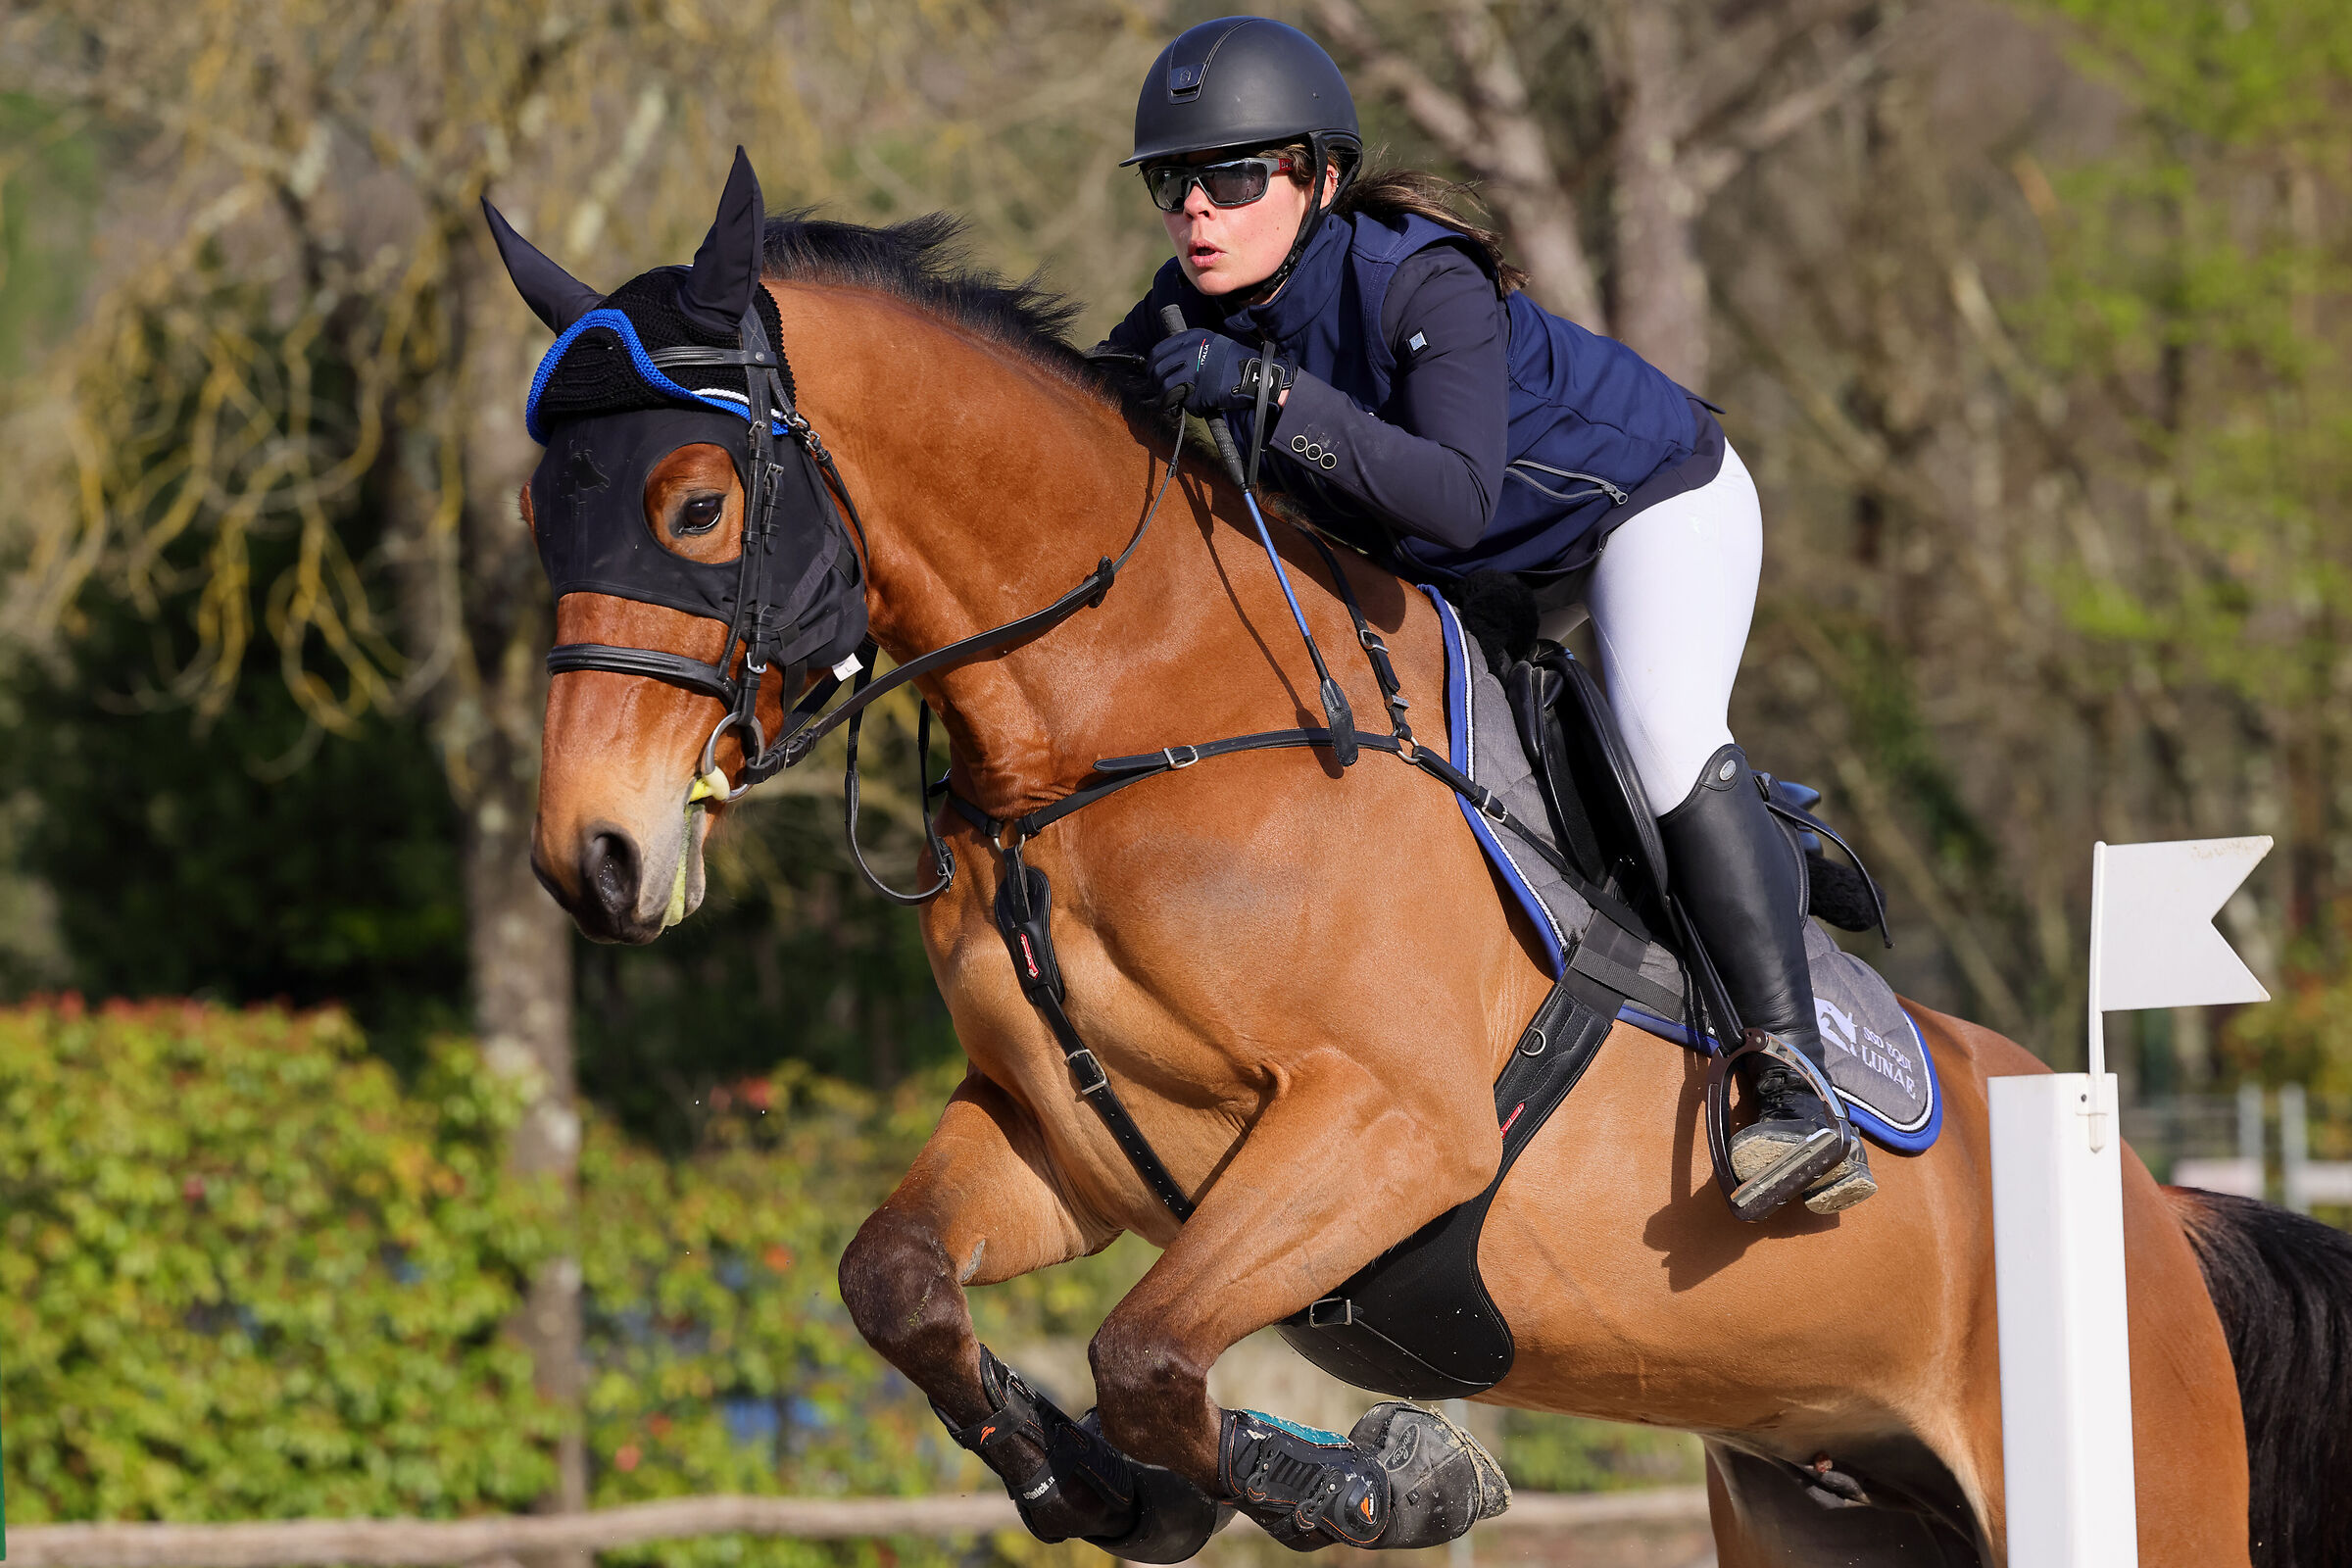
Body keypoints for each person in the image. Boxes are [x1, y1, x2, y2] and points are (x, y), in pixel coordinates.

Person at [1098, 16, 1873, 1214]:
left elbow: (1456, 500)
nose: (1196, 209)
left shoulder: (1421, 277)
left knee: (1662, 728)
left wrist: (1271, 394)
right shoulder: (1186, 308)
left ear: (1320, 177)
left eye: (1233, 175)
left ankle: (1792, 1080)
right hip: (1483, 572)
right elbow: (1066, 425)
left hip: (1647, 505)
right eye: (1171, 183)